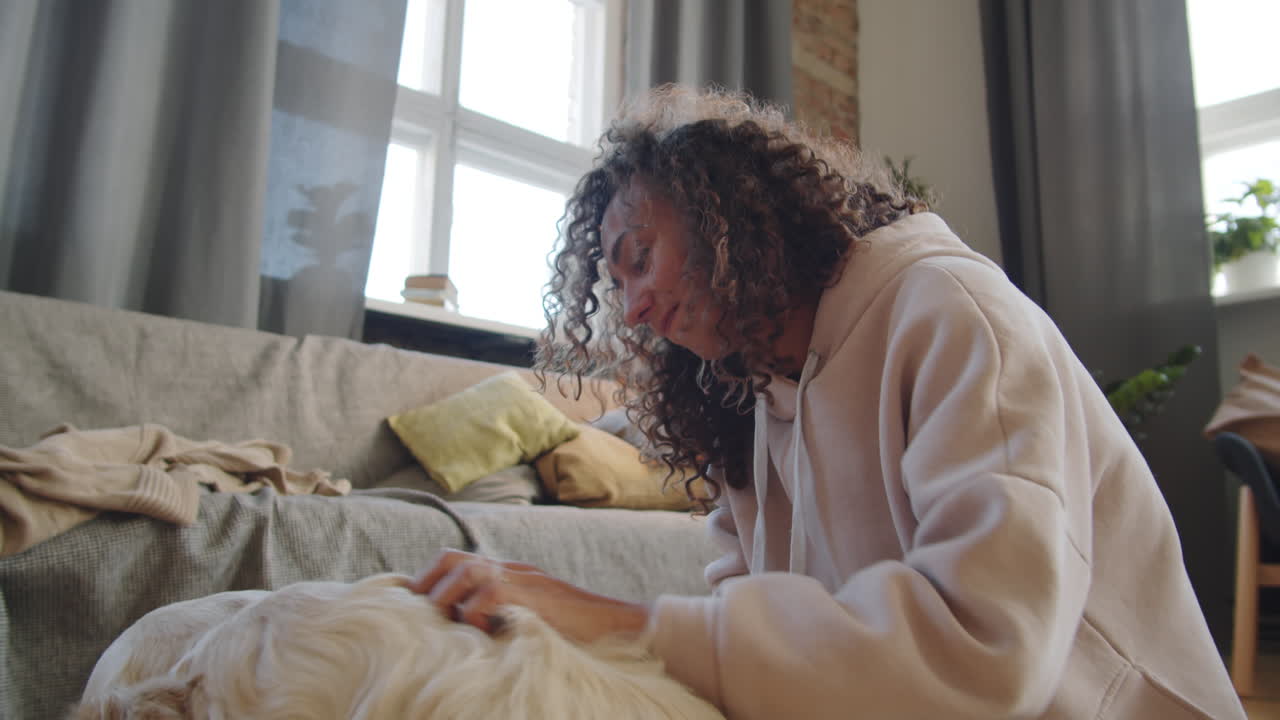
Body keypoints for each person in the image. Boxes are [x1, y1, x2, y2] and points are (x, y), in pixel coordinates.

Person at [410, 85, 1244, 719]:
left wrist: (613, 619)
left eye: (639, 256)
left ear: (727, 216)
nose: (630, 308)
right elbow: (761, 634)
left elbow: (986, 654)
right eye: (615, 281)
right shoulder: (748, 397)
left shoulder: (955, 318)